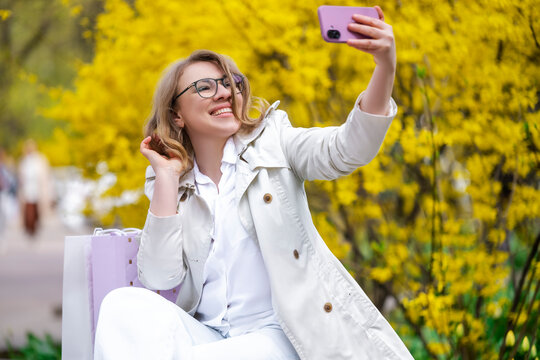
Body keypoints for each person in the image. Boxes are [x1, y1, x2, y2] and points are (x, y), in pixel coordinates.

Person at [94, 6, 414, 360]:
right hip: (210, 334)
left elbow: (346, 149)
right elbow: (159, 276)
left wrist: (385, 67)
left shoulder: (275, 141)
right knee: (120, 305)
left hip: (277, 335)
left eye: (232, 83)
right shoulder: (171, 179)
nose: (223, 92)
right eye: (204, 87)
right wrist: (168, 179)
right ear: (176, 115)